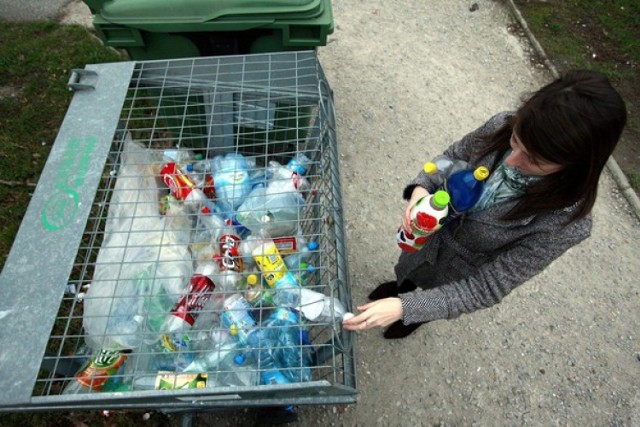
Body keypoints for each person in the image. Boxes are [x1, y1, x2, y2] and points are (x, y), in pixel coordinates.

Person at [342, 70, 627, 339]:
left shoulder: (565, 223)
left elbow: (486, 288)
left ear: (576, 165)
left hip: (456, 276)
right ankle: (400, 286)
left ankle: (412, 317)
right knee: (405, 272)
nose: (512, 161)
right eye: (516, 140)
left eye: (535, 160)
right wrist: (421, 190)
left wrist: (407, 308)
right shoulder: (501, 125)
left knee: (417, 303)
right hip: (424, 239)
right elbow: (452, 157)